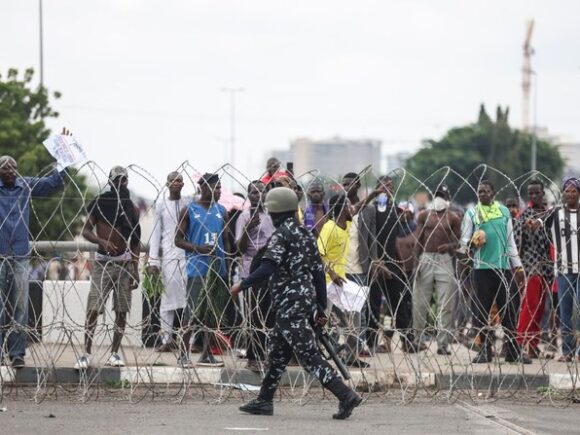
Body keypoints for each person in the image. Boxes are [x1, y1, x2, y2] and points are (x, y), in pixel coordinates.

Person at [230, 187, 362, 420]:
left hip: (289, 305)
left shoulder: (281, 235)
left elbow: (268, 266)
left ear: (276, 212)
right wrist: (320, 306)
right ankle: (264, 400)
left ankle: (345, 395)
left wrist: (243, 284)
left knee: (309, 355)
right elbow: (318, 272)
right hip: (304, 302)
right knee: (278, 354)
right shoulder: (305, 234)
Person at [0, 153, 67, 368]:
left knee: (20, 307)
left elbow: (52, 183)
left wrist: (63, 157)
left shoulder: (25, 186)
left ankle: (17, 353)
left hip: (19, 256)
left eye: (13, 167)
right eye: (5, 167)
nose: (10, 171)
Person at [75, 166, 141, 369]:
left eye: (125, 179)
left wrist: (135, 270)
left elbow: (135, 241)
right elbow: (86, 231)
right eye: (118, 179)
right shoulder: (100, 202)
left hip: (124, 264)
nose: (122, 183)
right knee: (94, 308)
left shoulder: (132, 207)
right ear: (111, 181)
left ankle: (114, 353)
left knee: (122, 310)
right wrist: (101, 241)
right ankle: (86, 353)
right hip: (103, 263)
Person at [459, 180, 530, 364]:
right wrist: (472, 244)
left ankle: (513, 351)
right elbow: (463, 243)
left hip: (503, 268)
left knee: (509, 310)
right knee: (481, 312)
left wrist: (519, 267)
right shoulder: (472, 213)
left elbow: (510, 242)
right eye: (480, 191)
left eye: (486, 191)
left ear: (493, 193)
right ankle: (484, 351)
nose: (482, 194)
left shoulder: (504, 212)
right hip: (481, 269)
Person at [175, 173, 231, 367]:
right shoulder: (189, 210)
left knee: (211, 314)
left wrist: (228, 267)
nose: (219, 191)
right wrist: (198, 248)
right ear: (204, 188)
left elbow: (227, 241)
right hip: (197, 268)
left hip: (218, 269)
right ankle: (183, 354)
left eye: (220, 188)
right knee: (192, 312)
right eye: (216, 188)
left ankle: (206, 354)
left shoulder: (222, 211)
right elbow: (178, 240)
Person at [358, 176, 416, 353]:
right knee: (373, 305)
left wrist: (400, 263)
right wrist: (373, 260)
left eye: (390, 187)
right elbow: (367, 236)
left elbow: (395, 239)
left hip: (391, 263)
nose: (386, 189)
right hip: (374, 264)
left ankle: (407, 341)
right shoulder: (371, 209)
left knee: (398, 303)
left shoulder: (395, 210)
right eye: (383, 186)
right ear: (377, 189)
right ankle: (371, 343)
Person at [528, 177, 580, 362]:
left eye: (574, 191)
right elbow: (540, 222)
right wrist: (534, 225)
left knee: (579, 310)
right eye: (568, 191)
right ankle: (567, 351)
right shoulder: (556, 214)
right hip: (564, 269)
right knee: (565, 312)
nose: (571, 194)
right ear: (564, 194)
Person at [317, 194, 368, 368]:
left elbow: (358, 208)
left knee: (355, 315)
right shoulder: (329, 228)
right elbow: (318, 254)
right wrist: (331, 273)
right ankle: (317, 357)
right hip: (327, 282)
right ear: (341, 209)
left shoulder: (344, 226)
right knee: (324, 321)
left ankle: (351, 356)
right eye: (348, 206)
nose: (352, 208)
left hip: (341, 281)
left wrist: (374, 194)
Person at [412, 185, 461, 355]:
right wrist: (415, 263)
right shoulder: (425, 215)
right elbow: (418, 239)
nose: (440, 198)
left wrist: (449, 246)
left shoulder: (453, 217)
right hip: (426, 257)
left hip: (444, 259)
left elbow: (459, 242)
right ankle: (416, 341)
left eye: (443, 195)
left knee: (446, 303)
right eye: (438, 194)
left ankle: (443, 344)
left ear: (447, 198)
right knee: (419, 301)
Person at [235, 180, 275, 370]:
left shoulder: (271, 216)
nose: (258, 195)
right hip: (250, 270)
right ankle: (253, 357)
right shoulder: (244, 217)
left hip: (269, 269)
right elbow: (240, 248)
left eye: (261, 191)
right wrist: (248, 229)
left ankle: (266, 354)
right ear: (249, 195)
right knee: (253, 316)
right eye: (253, 192)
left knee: (268, 315)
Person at [147, 172, 189, 352]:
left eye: (179, 180)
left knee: (190, 298)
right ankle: (166, 339)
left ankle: (191, 340)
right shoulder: (161, 204)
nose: (176, 183)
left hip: (188, 255)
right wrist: (153, 260)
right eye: (173, 180)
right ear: (167, 183)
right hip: (169, 258)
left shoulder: (188, 204)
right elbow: (155, 234)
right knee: (168, 298)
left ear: (183, 184)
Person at [513, 179, 554, 358]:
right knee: (530, 306)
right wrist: (523, 226)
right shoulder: (525, 215)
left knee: (539, 308)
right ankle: (520, 342)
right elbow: (515, 241)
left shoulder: (548, 214)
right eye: (531, 193)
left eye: (537, 192)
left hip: (546, 267)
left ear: (543, 194)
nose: (534, 196)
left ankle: (532, 344)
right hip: (531, 265)